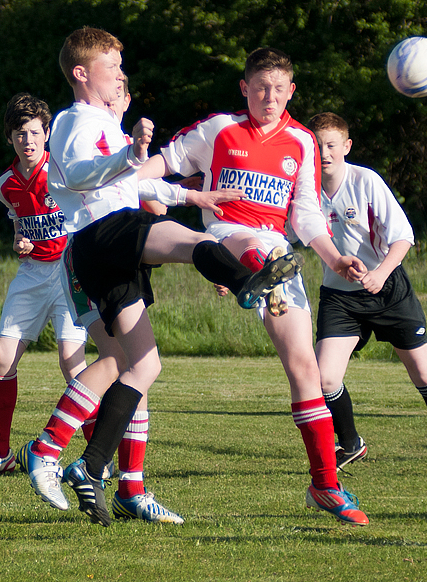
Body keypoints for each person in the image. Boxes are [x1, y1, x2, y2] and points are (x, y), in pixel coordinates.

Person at [22, 27, 301, 526]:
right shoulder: (75, 120)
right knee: (194, 243)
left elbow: (135, 181)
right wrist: (127, 156)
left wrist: (190, 196)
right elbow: (81, 174)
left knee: (144, 366)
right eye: (113, 66)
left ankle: (87, 466)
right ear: (82, 74)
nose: (121, 75)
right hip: (100, 234)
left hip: (110, 245)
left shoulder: (104, 123)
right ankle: (246, 282)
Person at [139, 47, 371, 526]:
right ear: (244, 88)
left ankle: (325, 485)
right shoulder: (219, 128)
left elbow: (305, 215)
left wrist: (334, 258)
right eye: (260, 87)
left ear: (291, 91)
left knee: (305, 367)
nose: (270, 96)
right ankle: (248, 275)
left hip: (279, 251)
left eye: (279, 88)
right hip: (226, 237)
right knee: (251, 242)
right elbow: (161, 166)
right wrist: (127, 184)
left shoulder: (303, 142)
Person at [306, 111, 427, 478]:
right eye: (316, 145)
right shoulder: (304, 190)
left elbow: (403, 237)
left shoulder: (366, 181)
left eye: (331, 145)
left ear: (346, 146)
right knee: (324, 378)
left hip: (388, 290)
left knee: (424, 373)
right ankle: (351, 443)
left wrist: (379, 274)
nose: (324, 153)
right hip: (340, 297)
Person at [0, 93, 89, 477]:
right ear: (9, 138)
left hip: (69, 271)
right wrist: (19, 242)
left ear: (47, 134)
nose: (27, 140)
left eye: (33, 132)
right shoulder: (6, 184)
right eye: (19, 134)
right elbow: (18, 225)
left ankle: (98, 457)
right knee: (1, 355)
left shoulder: (63, 173)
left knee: (72, 363)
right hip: (31, 274)